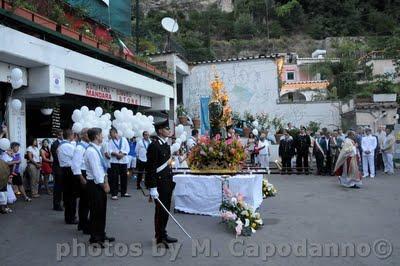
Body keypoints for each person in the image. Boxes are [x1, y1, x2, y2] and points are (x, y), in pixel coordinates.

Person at [145, 119, 177, 248]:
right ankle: (159, 237)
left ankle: (163, 233)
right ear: (160, 131)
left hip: (167, 181)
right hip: (159, 183)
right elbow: (151, 168)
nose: (169, 131)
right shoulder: (154, 145)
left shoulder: (165, 144)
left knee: (166, 210)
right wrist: (152, 187)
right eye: (167, 129)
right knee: (160, 211)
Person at [85, 128, 114, 247]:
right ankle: (95, 238)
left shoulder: (97, 149)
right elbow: (96, 172)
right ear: (97, 136)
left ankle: (101, 234)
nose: (103, 137)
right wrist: (104, 185)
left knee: (101, 211)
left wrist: (105, 179)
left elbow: (102, 168)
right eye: (101, 135)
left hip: (100, 182)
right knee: (96, 211)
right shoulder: (91, 151)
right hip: (95, 184)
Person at [71, 128, 90, 234]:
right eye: (88, 134)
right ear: (83, 136)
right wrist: (82, 179)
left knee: (86, 202)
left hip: (87, 174)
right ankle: (83, 224)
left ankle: (82, 224)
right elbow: (75, 165)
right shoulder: (80, 147)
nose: (90, 135)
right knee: (85, 202)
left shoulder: (88, 146)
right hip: (82, 175)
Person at [58, 129, 78, 224]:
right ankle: (71, 217)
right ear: (70, 136)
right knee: (71, 195)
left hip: (64, 170)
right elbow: (76, 157)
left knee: (67, 195)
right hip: (69, 171)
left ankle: (68, 216)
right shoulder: (68, 146)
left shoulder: (61, 145)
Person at [108, 127, 130, 199]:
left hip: (123, 161)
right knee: (114, 177)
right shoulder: (110, 141)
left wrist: (122, 154)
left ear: (115, 133)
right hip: (114, 161)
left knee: (124, 177)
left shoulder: (124, 139)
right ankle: (114, 194)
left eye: (111, 133)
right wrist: (116, 154)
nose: (110, 135)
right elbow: (109, 150)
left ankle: (124, 192)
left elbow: (127, 149)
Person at [51, 129, 64, 211]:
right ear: (58, 135)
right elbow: (56, 157)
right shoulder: (55, 144)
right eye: (62, 134)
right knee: (58, 187)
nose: (63, 136)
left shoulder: (64, 143)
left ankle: (63, 202)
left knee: (63, 187)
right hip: (58, 168)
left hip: (63, 168)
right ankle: (56, 204)